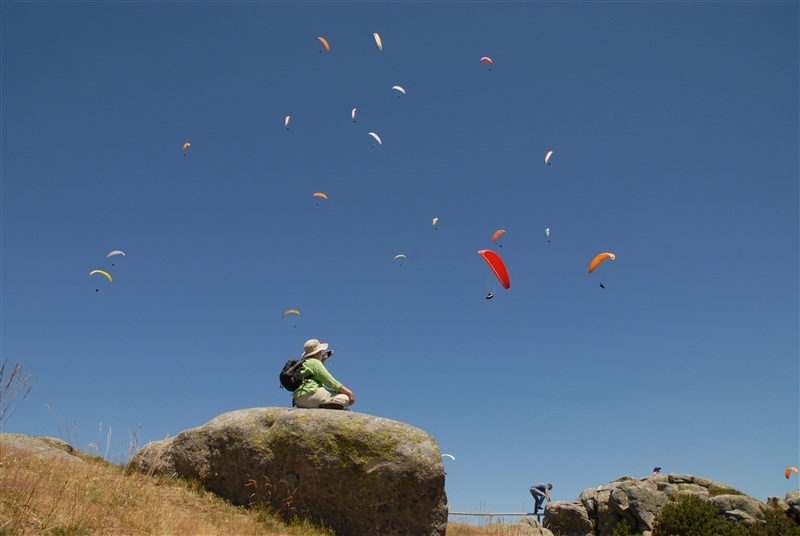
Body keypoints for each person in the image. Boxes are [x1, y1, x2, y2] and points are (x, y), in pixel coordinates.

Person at [293, 339, 355, 410]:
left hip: (298, 400)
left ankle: (327, 404)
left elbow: (315, 375)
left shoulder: (304, 363)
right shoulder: (315, 362)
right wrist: (349, 393)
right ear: (316, 352)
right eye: (320, 351)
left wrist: (322, 361)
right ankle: (329, 405)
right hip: (311, 396)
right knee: (344, 398)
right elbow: (329, 381)